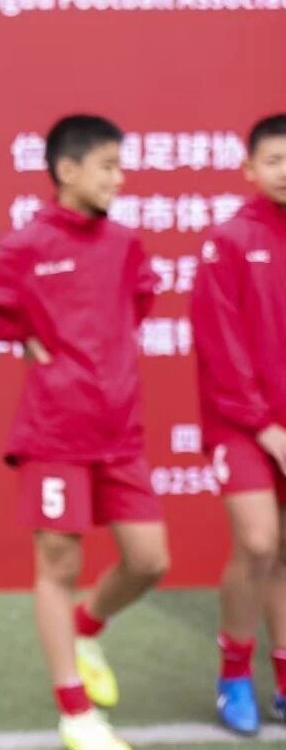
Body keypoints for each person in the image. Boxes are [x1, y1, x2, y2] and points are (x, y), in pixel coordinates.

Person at [0, 115, 169, 750]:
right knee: (58, 567)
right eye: (108, 166)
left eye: (120, 166)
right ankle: (75, 712)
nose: (119, 178)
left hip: (121, 434)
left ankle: (87, 627)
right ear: (67, 170)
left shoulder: (125, 244)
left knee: (149, 561)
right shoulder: (29, 243)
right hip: (54, 433)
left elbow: (140, 303)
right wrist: (22, 332)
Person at [191, 114, 286, 736]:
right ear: (249, 169)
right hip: (241, 422)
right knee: (257, 542)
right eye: (274, 160)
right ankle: (233, 674)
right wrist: (264, 425)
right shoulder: (228, 240)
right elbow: (219, 342)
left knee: (285, 554)